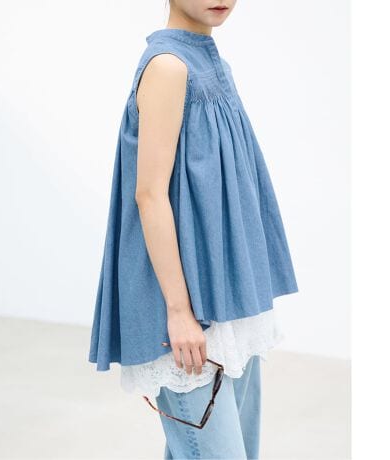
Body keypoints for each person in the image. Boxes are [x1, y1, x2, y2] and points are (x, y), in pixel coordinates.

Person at [88, 1, 299, 458]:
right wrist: (180, 313)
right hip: (186, 309)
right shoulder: (168, 67)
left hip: (227, 301)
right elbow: (149, 194)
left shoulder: (212, 62)